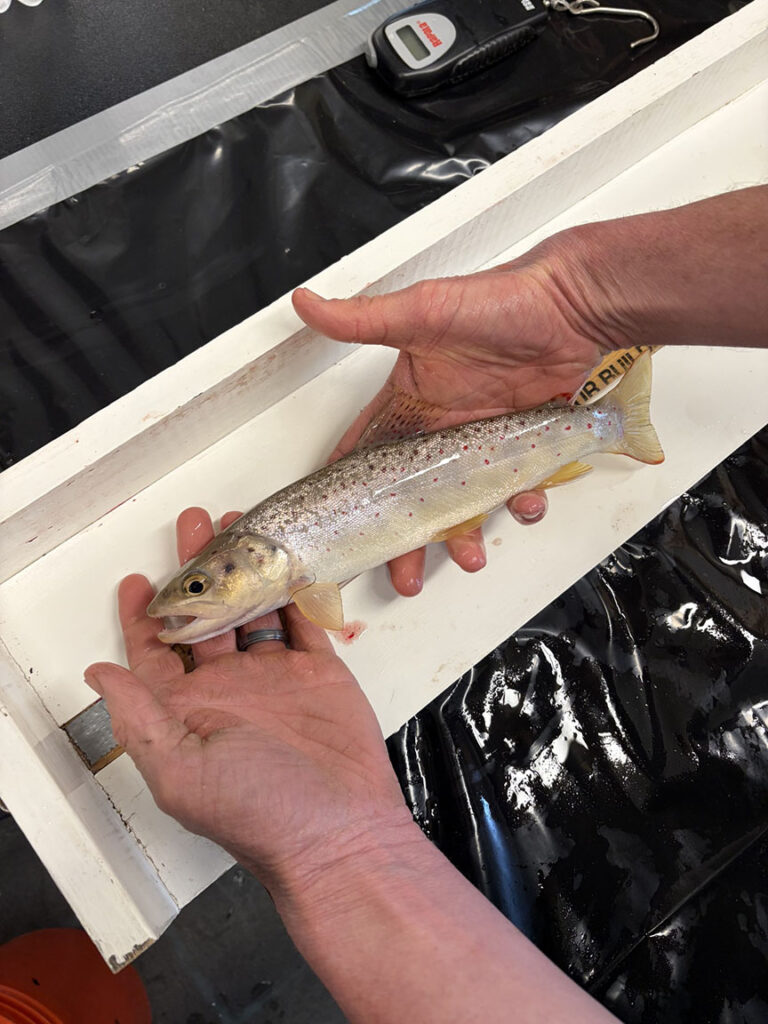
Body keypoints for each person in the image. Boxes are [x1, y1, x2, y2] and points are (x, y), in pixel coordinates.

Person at [85, 186, 767, 1023]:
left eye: (199, 586)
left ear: (252, 560)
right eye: (197, 589)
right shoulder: (296, 577)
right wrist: (577, 296)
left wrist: (579, 298)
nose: (188, 602)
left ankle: (606, 426)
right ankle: (604, 427)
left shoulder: (286, 562)